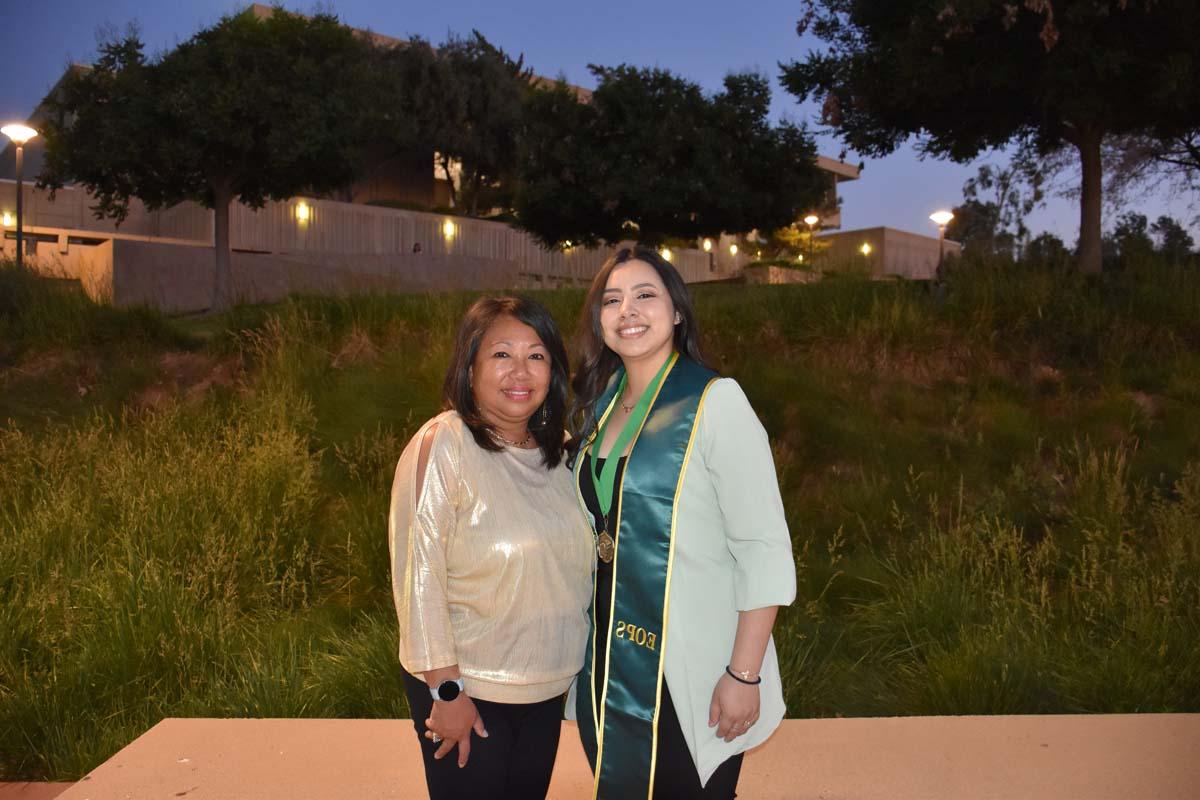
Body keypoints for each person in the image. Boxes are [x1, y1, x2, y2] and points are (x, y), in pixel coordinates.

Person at [569, 247, 796, 799]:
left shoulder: (717, 402)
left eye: (645, 294)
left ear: (676, 312)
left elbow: (762, 546)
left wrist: (744, 674)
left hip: (694, 665)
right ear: (600, 322)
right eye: (612, 299)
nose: (628, 309)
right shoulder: (599, 410)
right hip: (608, 662)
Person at [389, 295, 594, 800]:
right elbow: (420, 577)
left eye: (537, 355)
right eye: (502, 354)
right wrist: (447, 691)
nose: (519, 371)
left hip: (546, 689)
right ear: (470, 366)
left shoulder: (563, 456)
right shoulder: (445, 443)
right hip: (469, 691)